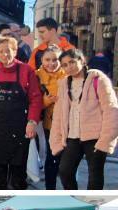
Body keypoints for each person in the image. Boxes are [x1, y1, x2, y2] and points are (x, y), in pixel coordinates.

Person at [0, 36, 43, 190]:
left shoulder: (26, 70)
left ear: (15, 51)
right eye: (1, 52)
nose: (5, 55)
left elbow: (35, 99)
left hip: (19, 128)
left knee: (18, 176)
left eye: (8, 51)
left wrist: (32, 122)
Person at [49, 49, 118, 190]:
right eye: (65, 65)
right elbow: (58, 114)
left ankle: (92, 205)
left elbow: (111, 110)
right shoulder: (63, 84)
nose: (69, 67)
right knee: (65, 171)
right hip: (72, 136)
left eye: (72, 62)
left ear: (82, 60)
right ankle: (73, 200)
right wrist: (56, 139)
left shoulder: (98, 80)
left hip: (95, 136)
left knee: (95, 175)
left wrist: (105, 139)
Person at [36, 45, 67, 190]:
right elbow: (33, 103)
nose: (51, 63)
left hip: (68, 123)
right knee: (51, 157)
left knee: (67, 160)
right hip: (48, 123)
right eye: (47, 59)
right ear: (41, 60)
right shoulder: (36, 75)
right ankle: (50, 189)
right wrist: (48, 100)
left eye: (55, 59)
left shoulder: (68, 74)